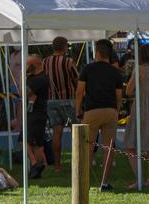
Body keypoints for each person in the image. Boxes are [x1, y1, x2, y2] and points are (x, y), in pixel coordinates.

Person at [75, 39, 123, 192]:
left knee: (87, 148)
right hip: (110, 111)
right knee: (108, 148)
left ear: (97, 53)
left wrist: (78, 110)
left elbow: (79, 92)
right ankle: (104, 183)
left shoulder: (87, 69)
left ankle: (84, 182)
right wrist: (117, 109)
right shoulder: (115, 72)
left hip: (91, 111)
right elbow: (119, 95)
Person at [43, 36, 79, 173]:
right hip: (68, 100)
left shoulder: (45, 61)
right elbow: (77, 79)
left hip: (51, 101)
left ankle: (57, 165)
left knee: (57, 133)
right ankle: (78, 162)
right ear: (64, 47)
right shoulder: (68, 61)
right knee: (75, 131)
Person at [122, 44, 149, 189]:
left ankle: (140, 179)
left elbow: (128, 90)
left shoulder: (140, 69)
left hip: (141, 108)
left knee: (129, 144)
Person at [25, 55, 50, 179]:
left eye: (27, 64)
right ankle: (36, 166)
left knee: (36, 143)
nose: (25, 66)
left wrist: (21, 76)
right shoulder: (33, 77)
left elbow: (24, 92)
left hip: (37, 114)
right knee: (28, 141)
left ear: (34, 65)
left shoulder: (40, 78)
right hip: (32, 113)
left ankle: (36, 166)